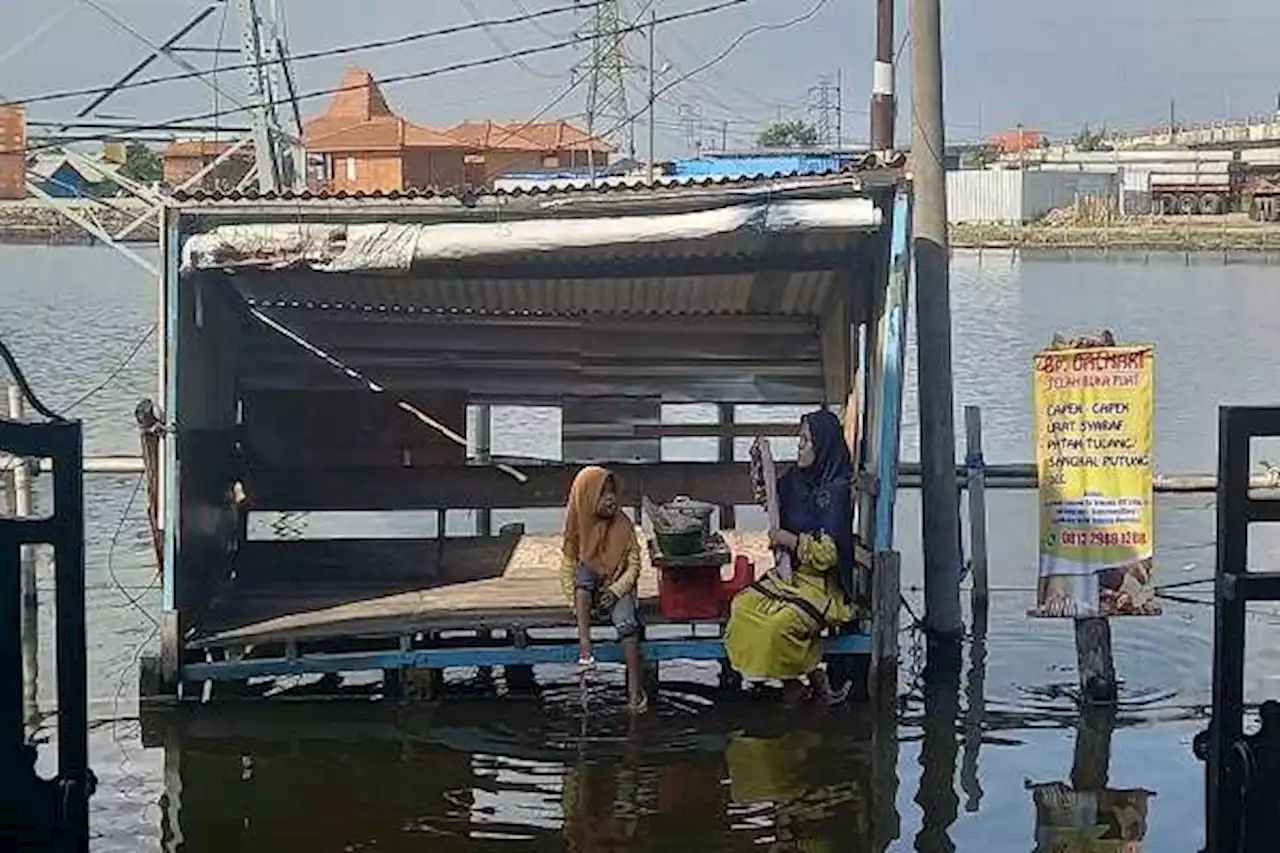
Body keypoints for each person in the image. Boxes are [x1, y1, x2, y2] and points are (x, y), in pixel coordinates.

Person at [724, 410, 855, 707]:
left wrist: (790, 540)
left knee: (777, 626)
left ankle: (806, 675)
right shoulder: (795, 480)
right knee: (742, 607)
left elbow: (829, 554)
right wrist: (760, 470)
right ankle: (798, 680)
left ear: (823, 447)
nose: (799, 446)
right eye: (800, 439)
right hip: (788, 576)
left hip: (820, 585)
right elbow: (771, 500)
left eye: (806, 441)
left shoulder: (835, 493)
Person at [559, 465, 649, 714]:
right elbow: (567, 570)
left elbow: (634, 565)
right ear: (586, 497)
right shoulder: (577, 527)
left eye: (612, 493)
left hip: (619, 587)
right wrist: (575, 606)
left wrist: (617, 590)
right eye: (602, 494)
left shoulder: (624, 525)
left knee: (627, 626)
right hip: (591, 592)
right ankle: (585, 646)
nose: (610, 499)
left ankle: (634, 692)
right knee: (583, 573)